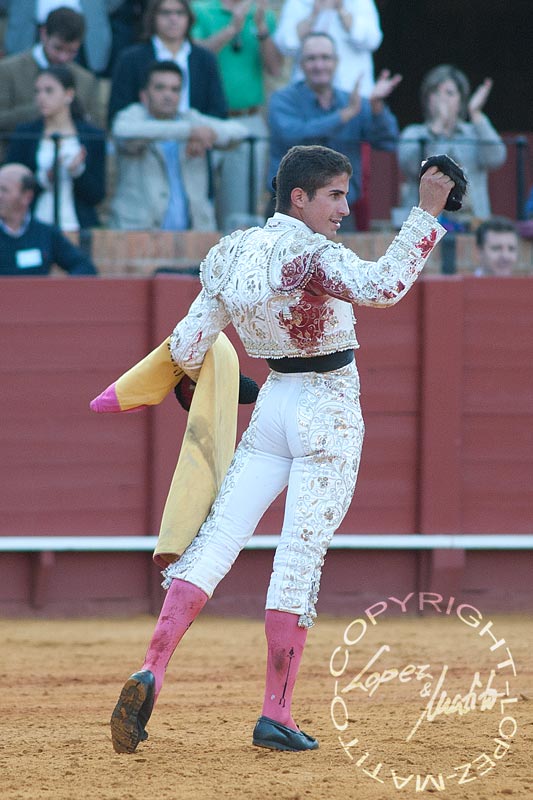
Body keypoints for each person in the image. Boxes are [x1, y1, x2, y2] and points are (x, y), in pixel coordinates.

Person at [107, 143, 452, 755]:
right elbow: (384, 286)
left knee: (217, 539)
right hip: (329, 409)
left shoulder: (231, 254)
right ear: (300, 197)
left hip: (271, 406)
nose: (344, 209)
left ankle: (151, 669)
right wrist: (426, 212)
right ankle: (276, 714)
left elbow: (187, 345)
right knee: (297, 558)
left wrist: (220, 383)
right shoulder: (311, 257)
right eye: (335, 196)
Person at [267, 31, 401, 225]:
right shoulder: (283, 100)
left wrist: (376, 107)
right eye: (311, 58)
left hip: (340, 213)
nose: (319, 65)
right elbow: (292, 136)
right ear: (300, 65)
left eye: (325, 58)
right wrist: (343, 116)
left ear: (336, 62)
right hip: (291, 212)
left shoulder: (352, 102)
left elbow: (387, 141)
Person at [109, 60, 247, 230]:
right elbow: (122, 131)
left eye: (175, 89)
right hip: (137, 233)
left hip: (193, 237)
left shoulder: (190, 119)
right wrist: (189, 132)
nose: (168, 95)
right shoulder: (133, 116)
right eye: (160, 88)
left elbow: (239, 131)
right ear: (144, 94)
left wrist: (207, 135)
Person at [191, 0, 283, 229]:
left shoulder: (263, 15)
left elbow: (275, 69)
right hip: (204, 119)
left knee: (240, 209)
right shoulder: (200, 9)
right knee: (195, 202)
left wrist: (262, 29)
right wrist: (232, 29)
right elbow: (195, 56)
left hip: (247, 118)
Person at [398, 64, 507, 228]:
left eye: (449, 93)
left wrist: (476, 114)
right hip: (425, 225)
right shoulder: (414, 133)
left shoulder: (473, 132)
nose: (442, 99)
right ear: (427, 99)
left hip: (473, 223)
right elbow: (411, 167)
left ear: (460, 100)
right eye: (435, 93)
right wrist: (437, 128)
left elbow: (496, 158)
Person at [5, 65, 106, 232]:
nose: (41, 97)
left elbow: (97, 195)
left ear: (69, 94)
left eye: (49, 91)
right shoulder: (25, 133)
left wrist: (77, 171)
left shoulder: (91, 135)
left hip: (77, 225)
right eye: (37, 91)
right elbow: (12, 183)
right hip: (34, 223)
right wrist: (45, 177)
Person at [108, 0, 227, 124]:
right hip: (145, 137)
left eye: (180, 13)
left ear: (189, 18)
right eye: (166, 13)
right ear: (153, 17)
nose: (173, 19)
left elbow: (218, 110)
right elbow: (118, 111)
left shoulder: (205, 59)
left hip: (198, 137)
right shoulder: (131, 58)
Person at [0, 7, 102, 143]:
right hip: (16, 157)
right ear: (43, 34)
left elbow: (96, 129)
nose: (63, 57)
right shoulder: (8, 70)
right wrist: (41, 109)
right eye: (58, 48)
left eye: (72, 51)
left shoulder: (86, 80)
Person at [0, 162, 97, 274]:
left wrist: (61, 290)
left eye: (4, 190)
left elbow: (84, 267)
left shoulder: (45, 233)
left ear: (27, 197)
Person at [274, 0, 382, 96]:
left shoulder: (361, 2)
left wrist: (342, 10)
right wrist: (314, 14)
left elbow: (373, 41)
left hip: (353, 92)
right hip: (307, 96)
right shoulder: (297, 2)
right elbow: (285, 45)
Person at [3, 1, 124, 75]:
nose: (62, 57)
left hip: (84, 35)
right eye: (59, 50)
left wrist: (96, 8)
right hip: (30, 32)